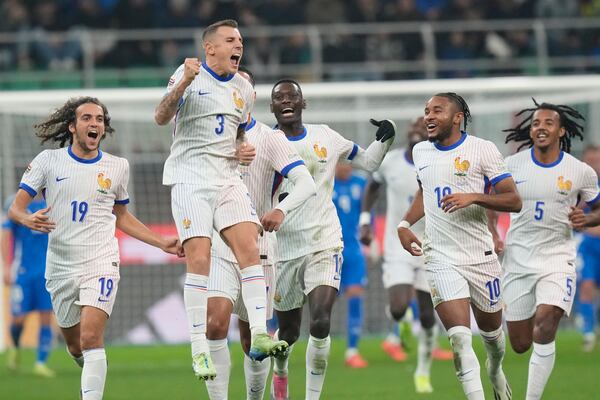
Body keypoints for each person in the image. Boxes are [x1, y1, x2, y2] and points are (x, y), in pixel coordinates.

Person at [8, 96, 183, 400]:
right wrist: (27, 219)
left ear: (104, 127)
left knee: (91, 337)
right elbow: (16, 209)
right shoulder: (49, 161)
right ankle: (89, 366)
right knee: (76, 345)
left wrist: (160, 242)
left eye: (99, 119)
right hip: (60, 267)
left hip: (101, 261)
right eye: (87, 118)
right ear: (72, 126)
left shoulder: (117, 167)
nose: (94, 124)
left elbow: (122, 217)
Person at [154, 19, 287, 381]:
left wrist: (240, 148)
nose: (238, 46)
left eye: (240, 40)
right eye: (230, 40)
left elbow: (240, 129)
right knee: (198, 258)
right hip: (190, 178)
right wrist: (184, 81)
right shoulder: (187, 74)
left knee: (250, 244)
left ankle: (259, 330)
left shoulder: (244, 88)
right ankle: (198, 347)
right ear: (209, 48)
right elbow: (161, 116)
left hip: (226, 177)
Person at [269, 79, 395, 400]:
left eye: (292, 96)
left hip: (325, 240)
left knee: (322, 321)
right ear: (272, 108)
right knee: (288, 333)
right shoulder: (263, 144)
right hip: (282, 248)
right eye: (279, 97)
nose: (286, 101)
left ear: (302, 103)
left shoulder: (326, 135)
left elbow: (367, 162)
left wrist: (385, 140)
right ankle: (281, 372)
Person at [397, 92, 521, 400]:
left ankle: (495, 370)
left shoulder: (482, 150)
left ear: (457, 117)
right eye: (426, 111)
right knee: (460, 340)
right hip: (440, 256)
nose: (428, 116)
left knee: (493, 340)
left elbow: (513, 200)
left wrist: (474, 196)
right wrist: (403, 225)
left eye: (437, 110)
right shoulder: (422, 152)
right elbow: (424, 192)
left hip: (480, 257)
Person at [204, 67, 316, 400]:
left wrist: (281, 209)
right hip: (220, 247)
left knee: (252, 341)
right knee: (215, 324)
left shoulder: (271, 139)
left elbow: (306, 183)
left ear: (250, 96)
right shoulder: (206, 133)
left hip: (259, 248)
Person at [502, 100, 600, 399]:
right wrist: (492, 234)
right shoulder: (511, 166)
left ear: (561, 130)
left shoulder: (580, 171)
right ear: (530, 131)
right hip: (518, 260)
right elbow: (494, 203)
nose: (540, 127)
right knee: (520, 344)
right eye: (536, 123)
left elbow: (598, 208)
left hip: (558, 258)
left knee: (547, 321)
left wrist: (589, 218)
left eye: (547, 123)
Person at [360, 117, 453, 394]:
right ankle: (399, 325)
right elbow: (373, 185)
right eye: (412, 128)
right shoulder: (391, 162)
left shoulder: (440, 164)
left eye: (422, 129)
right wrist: (365, 219)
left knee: (427, 316)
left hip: (430, 247)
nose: (415, 131)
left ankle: (423, 372)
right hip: (396, 244)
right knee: (399, 306)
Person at [2, 194, 54, 377]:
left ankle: (41, 363)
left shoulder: (51, 204)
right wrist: (7, 266)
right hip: (23, 273)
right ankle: (15, 348)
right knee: (18, 319)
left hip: (48, 273)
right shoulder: (17, 204)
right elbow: (5, 233)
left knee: (46, 317)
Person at [332, 163, 368, 368]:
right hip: (330, 249)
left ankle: (352, 350)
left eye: (348, 162)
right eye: (341, 162)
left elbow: (367, 210)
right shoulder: (325, 183)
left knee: (355, 296)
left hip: (353, 250)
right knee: (324, 302)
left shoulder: (361, 183)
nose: (346, 167)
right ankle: (319, 344)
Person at [577, 145, 600, 352]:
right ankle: (588, 334)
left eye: (596, 160)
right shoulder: (580, 185)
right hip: (589, 245)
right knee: (586, 287)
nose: (593, 164)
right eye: (590, 161)